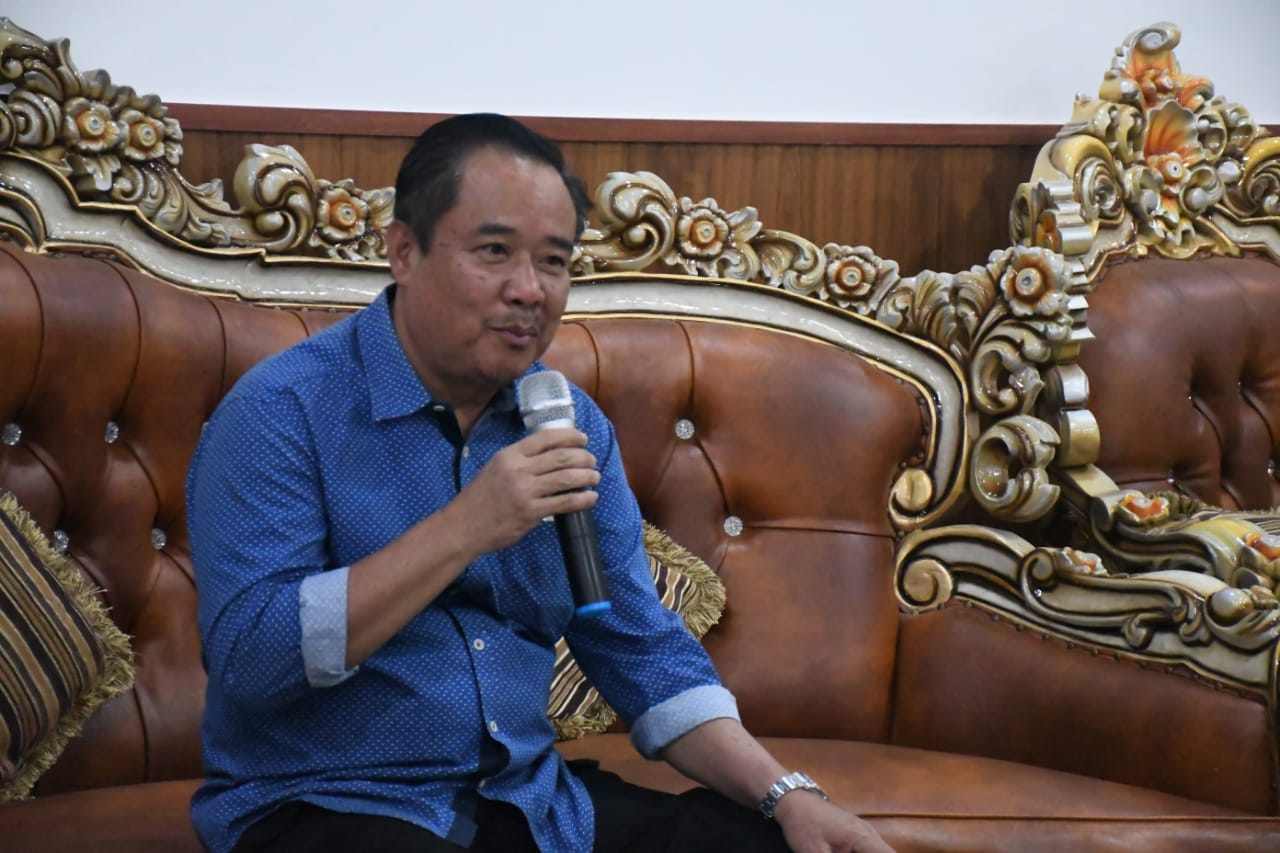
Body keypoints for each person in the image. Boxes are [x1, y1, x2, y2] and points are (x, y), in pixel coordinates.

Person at [186, 112, 894, 853]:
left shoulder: (565, 420)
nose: (529, 290)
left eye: (553, 261)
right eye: (494, 251)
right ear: (403, 251)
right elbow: (252, 658)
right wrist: (467, 526)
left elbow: (640, 649)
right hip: (327, 802)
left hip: (528, 804)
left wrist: (789, 795)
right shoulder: (282, 411)